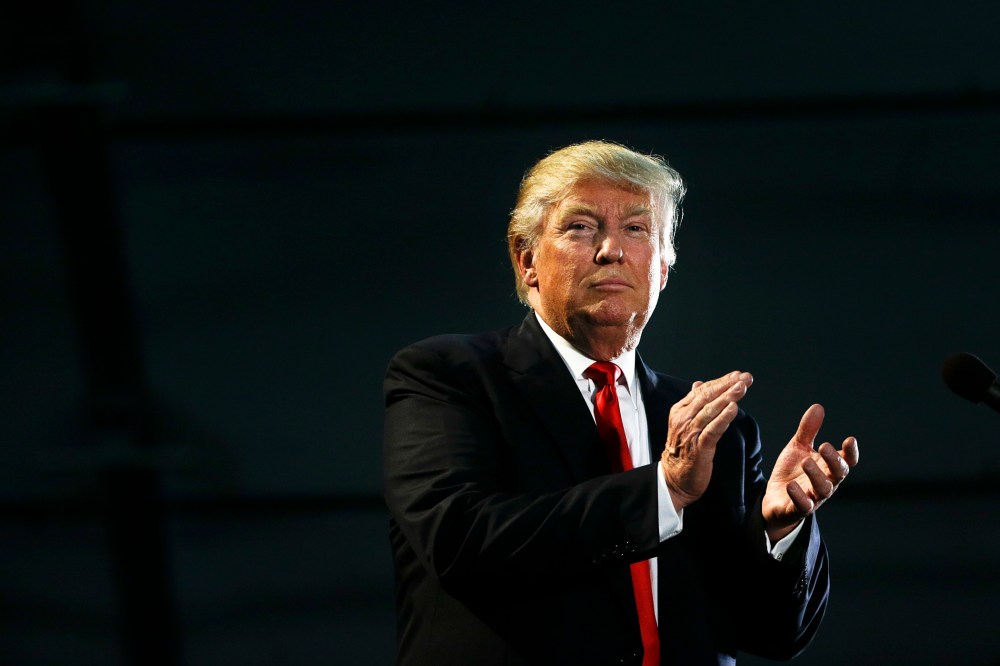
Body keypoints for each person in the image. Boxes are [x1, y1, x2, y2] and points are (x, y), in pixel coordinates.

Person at [382, 140, 859, 666]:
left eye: (636, 229)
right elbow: (462, 542)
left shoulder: (718, 427)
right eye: (581, 227)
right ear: (526, 263)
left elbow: (773, 635)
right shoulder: (450, 376)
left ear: (662, 269)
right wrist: (665, 490)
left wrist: (778, 531)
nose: (612, 250)